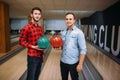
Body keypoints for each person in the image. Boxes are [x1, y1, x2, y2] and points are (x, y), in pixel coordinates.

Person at [56, 12, 87, 80]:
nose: (68, 21)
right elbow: (64, 46)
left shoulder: (79, 32)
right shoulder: (64, 32)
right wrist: (59, 47)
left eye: (70, 19)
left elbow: (83, 50)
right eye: (66, 19)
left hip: (73, 63)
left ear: (74, 20)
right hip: (63, 61)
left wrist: (80, 64)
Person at [19, 7, 44, 80]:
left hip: (40, 56)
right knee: (30, 77)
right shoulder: (26, 27)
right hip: (32, 56)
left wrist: (43, 54)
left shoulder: (39, 28)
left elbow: (41, 42)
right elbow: (21, 41)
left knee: (36, 76)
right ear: (31, 15)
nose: (37, 15)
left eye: (39, 14)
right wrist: (33, 47)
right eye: (35, 13)